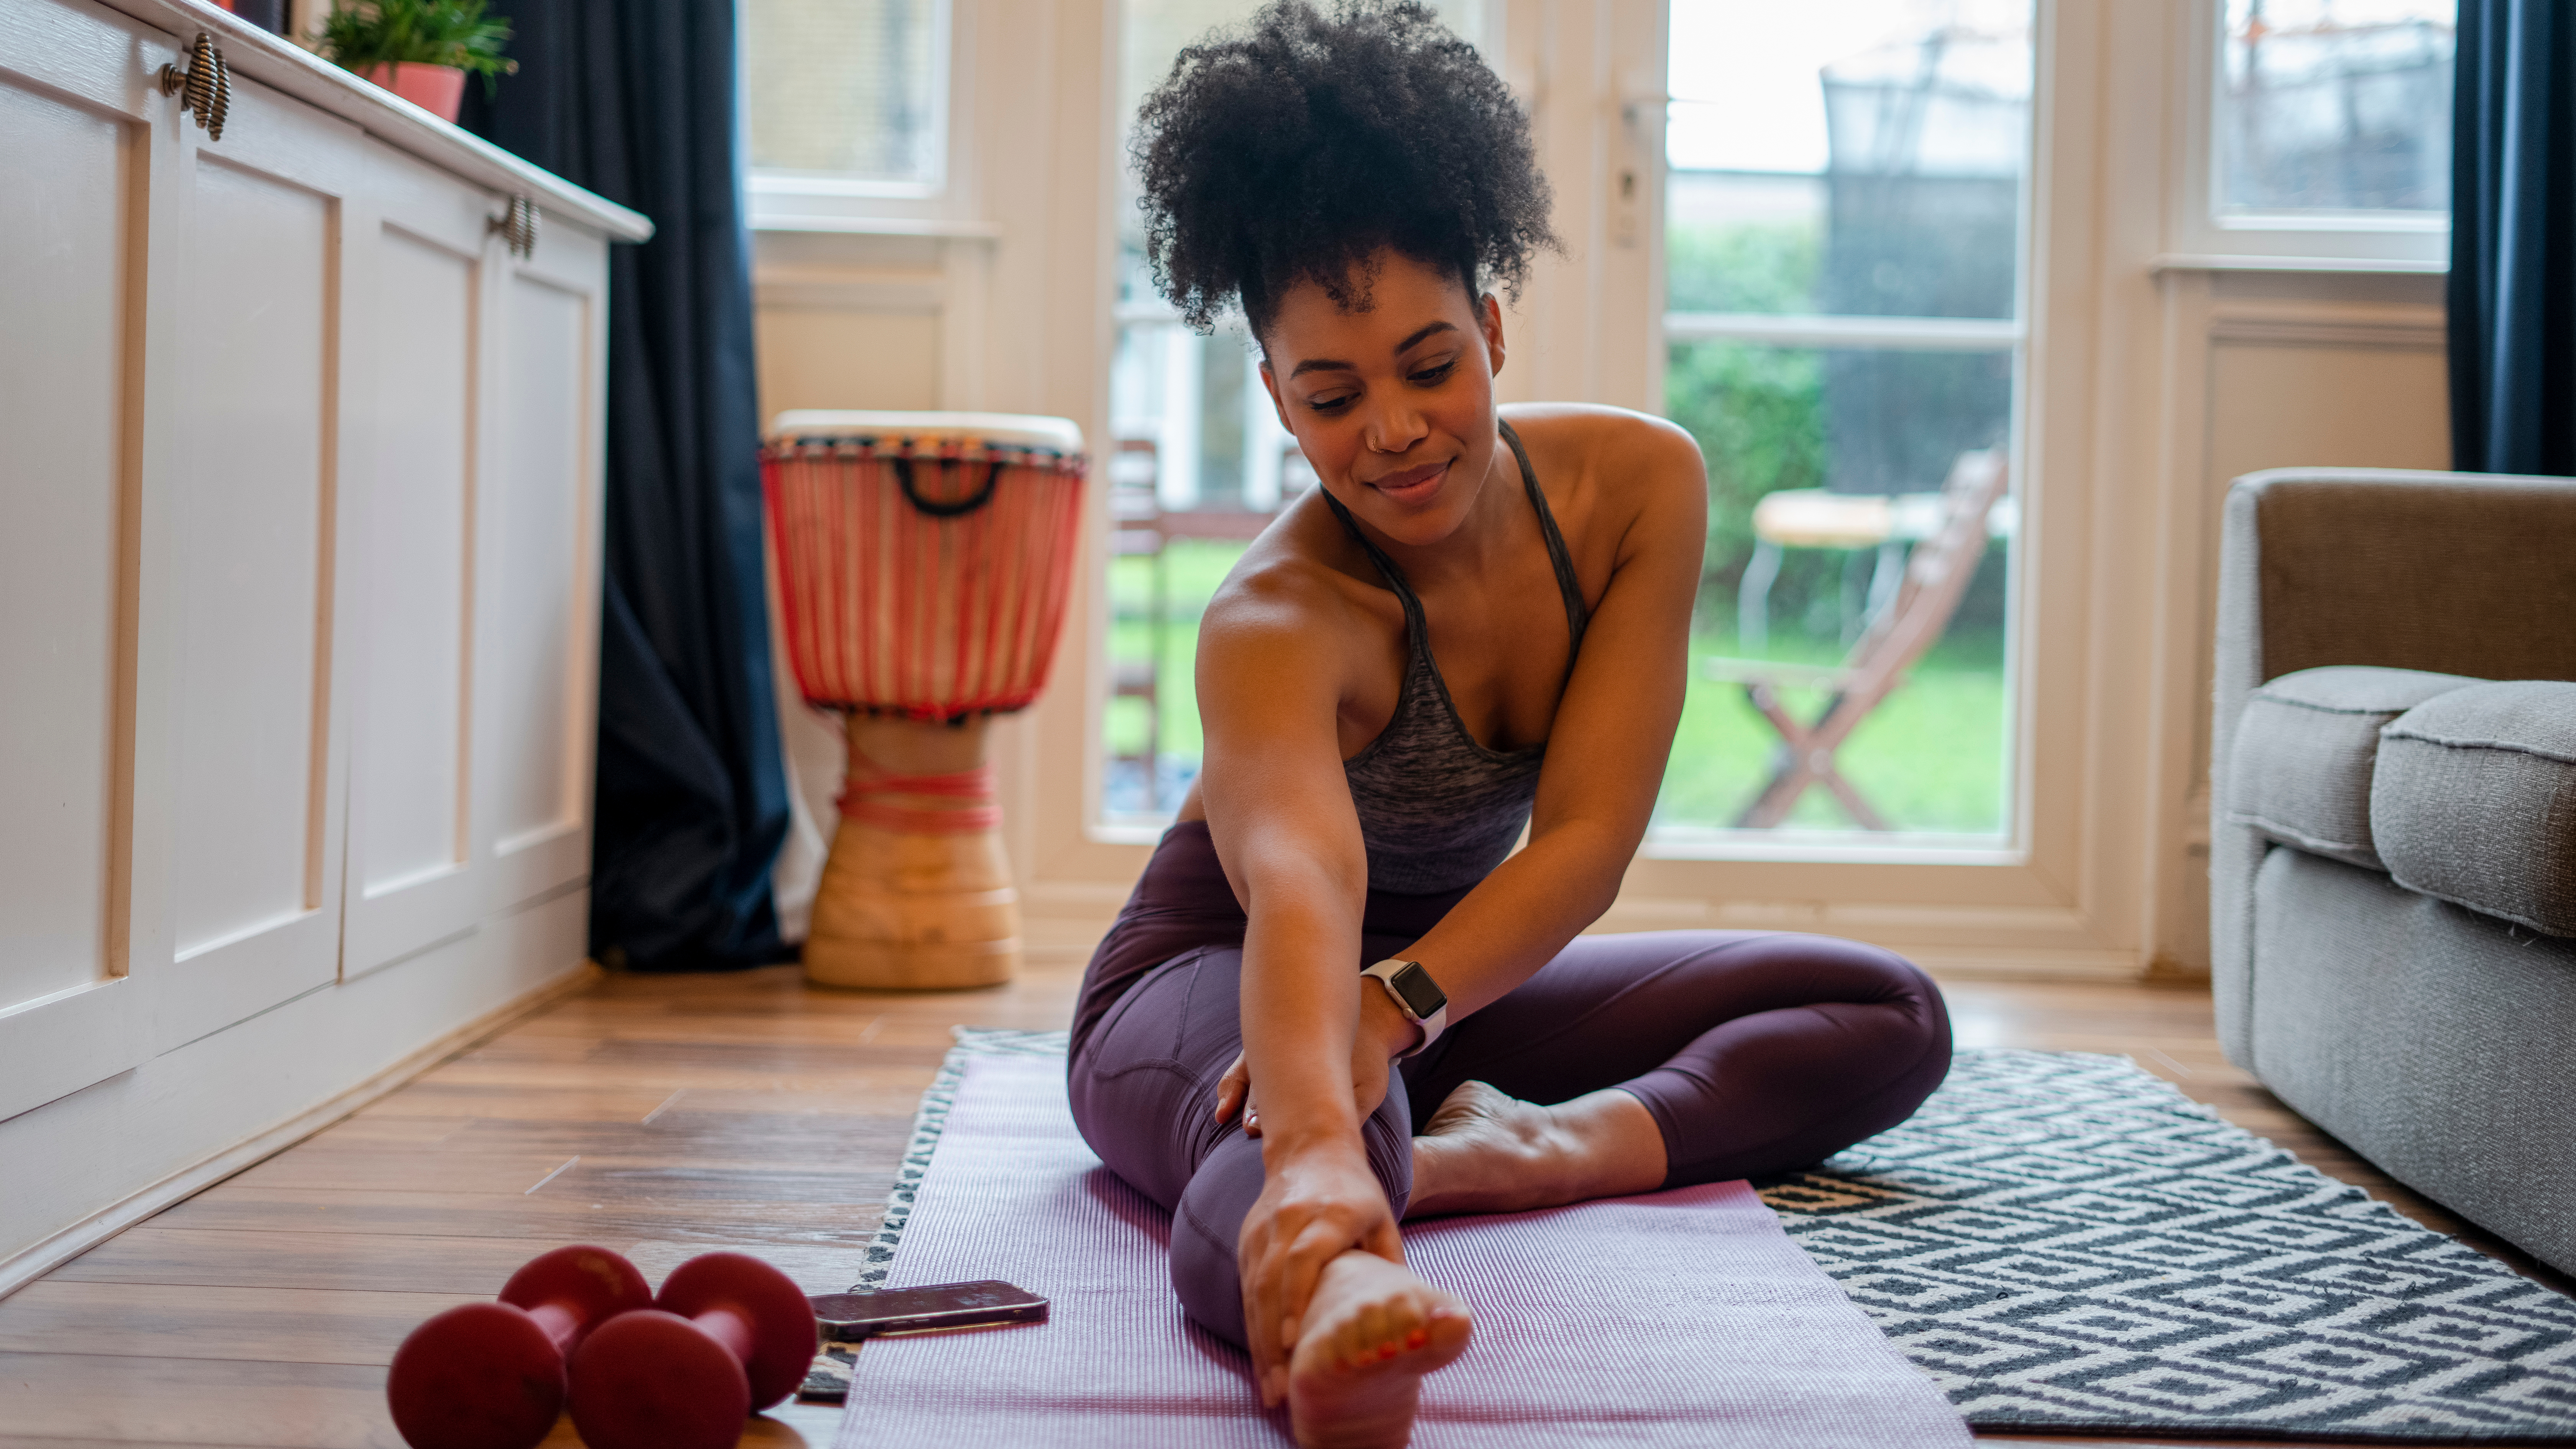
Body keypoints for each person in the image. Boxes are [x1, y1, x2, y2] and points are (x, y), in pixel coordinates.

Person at [1068, 4, 1952, 1444]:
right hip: (1227, 973)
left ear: (1492, 325)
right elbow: (1303, 887)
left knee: (1888, 1011)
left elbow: (1590, 840)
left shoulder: (1636, 490)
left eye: (1430, 365)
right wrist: (1312, 1140)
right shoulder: (1275, 621)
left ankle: (1529, 1152)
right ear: (1280, 401)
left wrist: (1399, 1005)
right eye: (1333, 395)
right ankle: (1340, 1284)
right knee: (1308, 1135)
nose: (1396, 431)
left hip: (1431, 982)